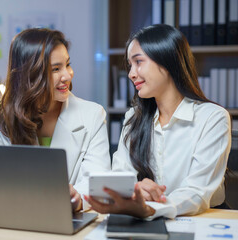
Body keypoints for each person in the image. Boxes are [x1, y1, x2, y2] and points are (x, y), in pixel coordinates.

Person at [85, 24, 231, 219]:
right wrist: (135, 190)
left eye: (138, 62)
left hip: (202, 219)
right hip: (142, 216)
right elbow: (121, 177)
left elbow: (198, 191)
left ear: (167, 61)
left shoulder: (213, 117)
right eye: (130, 65)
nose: (131, 74)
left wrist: (154, 208)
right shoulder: (133, 118)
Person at [0, 28, 111, 211]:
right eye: (56, 69)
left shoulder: (93, 115)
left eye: (67, 64)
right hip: (15, 216)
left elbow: (99, 183)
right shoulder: (3, 113)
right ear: (29, 75)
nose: (67, 75)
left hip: (68, 219)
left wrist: (78, 198)